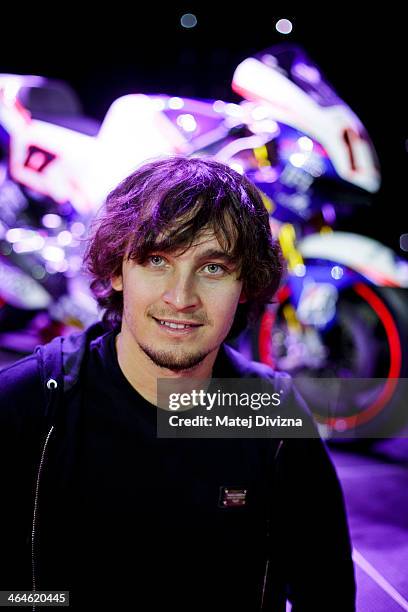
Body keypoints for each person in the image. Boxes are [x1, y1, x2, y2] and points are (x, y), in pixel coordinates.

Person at [0, 156, 355, 611]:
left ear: (245, 284)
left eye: (213, 268)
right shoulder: (31, 403)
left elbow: (324, 590)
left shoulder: (270, 415)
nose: (181, 298)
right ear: (115, 270)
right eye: (156, 260)